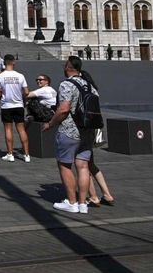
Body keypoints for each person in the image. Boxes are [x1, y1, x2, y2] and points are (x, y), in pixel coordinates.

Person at [43, 56, 98, 214]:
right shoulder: (90, 85)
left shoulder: (67, 84)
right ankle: (82, 204)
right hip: (88, 130)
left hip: (69, 130)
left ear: (68, 67)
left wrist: (51, 123)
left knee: (65, 165)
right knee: (83, 166)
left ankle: (72, 202)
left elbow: (64, 109)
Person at [0, 55, 31, 162]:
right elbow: (26, 92)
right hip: (19, 105)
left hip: (6, 105)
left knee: (8, 129)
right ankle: (26, 155)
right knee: (21, 129)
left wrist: (2, 94)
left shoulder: (0, 77)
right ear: (13, 62)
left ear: (4, 63)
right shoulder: (20, 76)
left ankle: (10, 154)